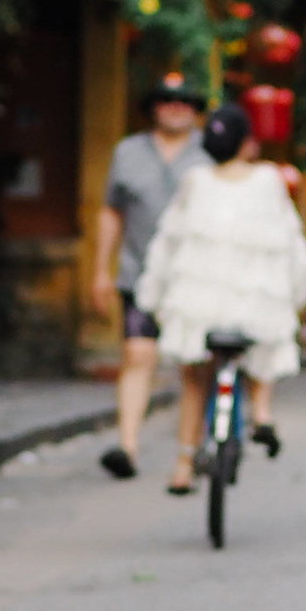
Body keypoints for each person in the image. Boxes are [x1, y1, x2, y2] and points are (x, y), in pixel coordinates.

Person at [135, 102, 306, 495]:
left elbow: (166, 244)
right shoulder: (268, 180)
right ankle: (262, 413)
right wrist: (298, 298)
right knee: (263, 341)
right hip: (253, 308)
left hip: (198, 308)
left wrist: (152, 298)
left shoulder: (194, 181)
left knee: (193, 379)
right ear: (246, 143)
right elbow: (293, 248)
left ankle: (183, 465)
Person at [91, 75, 209, 480]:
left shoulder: (209, 152)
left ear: (195, 110)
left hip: (195, 278)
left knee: (194, 366)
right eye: (167, 101)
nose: (176, 108)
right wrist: (100, 270)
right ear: (153, 108)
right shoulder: (128, 152)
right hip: (139, 274)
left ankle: (188, 454)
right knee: (137, 355)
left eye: (184, 101)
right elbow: (111, 211)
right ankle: (127, 445)